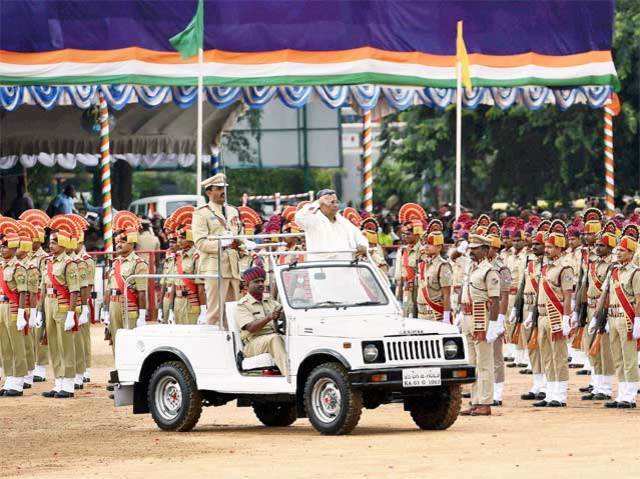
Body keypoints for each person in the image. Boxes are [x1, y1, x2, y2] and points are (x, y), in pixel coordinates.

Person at [460, 224, 503, 416]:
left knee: (485, 363)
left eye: (475, 249)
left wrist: (493, 325)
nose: (472, 252)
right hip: (468, 316)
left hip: (481, 317)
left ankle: (485, 402)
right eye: (471, 249)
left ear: (485, 250)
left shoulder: (489, 271)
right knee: (472, 362)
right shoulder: (472, 269)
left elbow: (494, 300)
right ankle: (475, 400)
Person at [532, 220, 574, 408]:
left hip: (556, 316)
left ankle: (560, 394)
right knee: (546, 356)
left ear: (559, 248)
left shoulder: (565, 268)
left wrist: (566, 318)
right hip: (542, 316)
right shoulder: (545, 267)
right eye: (546, 246)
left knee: (559, 356)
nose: (546, 250)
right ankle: (549, 393)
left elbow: (567, 296)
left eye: (550, 247)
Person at [192, 173, 243, 325]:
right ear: (209, 192)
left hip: (233, 267)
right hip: (214, 268)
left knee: (233, 313)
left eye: (224, 188)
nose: (223, 192)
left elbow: (238, 234)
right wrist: (224, 244)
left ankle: (232, 345)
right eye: (219, 188)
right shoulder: (201, 213)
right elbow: (200, 242)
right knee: (215, 313)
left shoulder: (233, 211)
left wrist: (241, 244)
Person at [41, 215, 80, 398]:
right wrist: (39, 311)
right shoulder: (47, 262)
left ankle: (69, 383)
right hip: (49, 304)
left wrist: (72, 313)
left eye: (55, 241)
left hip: (63, 305)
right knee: (54, 345)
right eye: (50, 241)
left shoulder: (69, 263)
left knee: (66, 345)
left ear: (64, 243)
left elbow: (74, 290)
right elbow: (43, 288)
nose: (51, 245)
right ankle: (58, 382)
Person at [604, 224, 640, 409]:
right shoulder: (614, 271)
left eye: (622, 250)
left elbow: (639, 298)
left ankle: (630, 396)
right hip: (613, 317)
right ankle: (621, 393)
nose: (618, 253)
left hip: (627, 319)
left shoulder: (635, 272)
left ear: (631, 253)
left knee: (629, 359)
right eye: (618, 250)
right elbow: (608, 295)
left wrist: (638, 321)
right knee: (617, 358)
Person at [579, 221, 616, 401]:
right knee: (592, 348)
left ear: (610, 247)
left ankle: (606, 388)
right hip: (591, 308)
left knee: (604, 351)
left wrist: (604, 314)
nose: (597, 247)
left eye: (602, 245)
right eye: (597, 245)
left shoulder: (613, 264)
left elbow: (608, 291)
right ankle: (597, 385)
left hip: (605, 308)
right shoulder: (592, 262)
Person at [102, 212, 148, 354]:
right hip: (114, 305)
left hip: (129, 307)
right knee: (116, 341)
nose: (119, 245)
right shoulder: (115, 263)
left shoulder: (139, 263)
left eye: (122, 241)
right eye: (117, 242)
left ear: (132, 242)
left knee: (130, 343)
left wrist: (142, 315)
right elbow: (108, 289)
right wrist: (105, 310)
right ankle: (119, 372)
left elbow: (141, 292)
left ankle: (131, 374)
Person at [235, 267, 288, 375]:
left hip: (273, 337)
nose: (260, 284)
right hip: (253, 343)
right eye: (256, 281)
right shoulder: (242, 305)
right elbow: (251, 328)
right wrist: (269, 317)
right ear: (247, 285)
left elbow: (285, 314)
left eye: (262, 281)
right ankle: (290, 376)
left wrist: (284, 315)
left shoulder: (270, 301)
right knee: (275, 339)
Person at [18, 209, 50, 382]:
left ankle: (41, 366)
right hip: (27, 294)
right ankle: (28, 365)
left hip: (39, 294)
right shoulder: (23, 254)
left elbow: (44, 279)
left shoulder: (44, 257)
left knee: (41, 330)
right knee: (26, 331)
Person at [0, 218, 29, 397]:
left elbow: (23, 292)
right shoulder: (1, 266)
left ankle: (18, 380)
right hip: (1, 306)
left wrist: (20, 313)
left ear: (13, 248)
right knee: (5, 344)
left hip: (12, 306)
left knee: (16, 343)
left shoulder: (18, 267)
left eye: (5, 246)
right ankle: (9, 377)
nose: (2, 249)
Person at [295, 189, 368, 260]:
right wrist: (318, 202)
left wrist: (363, 245)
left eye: (336, 202)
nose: (335, 205)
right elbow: (299, 218)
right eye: (331, 202)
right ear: (321, 205)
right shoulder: (312, 221)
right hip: (322, 268)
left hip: (346, 267)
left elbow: (359, 237)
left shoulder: (344, 222)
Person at [170, 206, 206, 325]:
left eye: (182, 238)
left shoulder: (197, 256)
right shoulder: (178, 256)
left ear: (191, 237)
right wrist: (170, 309)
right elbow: (174, 284)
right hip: (177, 302)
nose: (178, 241)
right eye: (178, 238)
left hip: (191, 302)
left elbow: (200, 288)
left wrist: (203, 310)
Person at [415, 219, 452, 322]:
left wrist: (446, 317)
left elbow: (446, 294)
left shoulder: (443, 266)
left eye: (430, 244)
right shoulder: (423, 264)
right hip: (421, 314)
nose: (426, 246)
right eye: (426, 243)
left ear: (439, 247)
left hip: (435, 315)